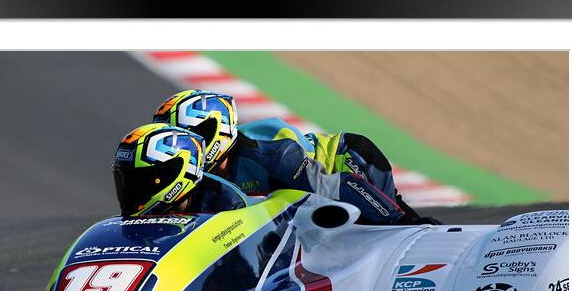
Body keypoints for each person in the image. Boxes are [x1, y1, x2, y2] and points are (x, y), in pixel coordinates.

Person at [151, 89, 439, 225]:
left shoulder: (268, 153)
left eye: (186, 135)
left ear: (216, 129)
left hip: (349, 161)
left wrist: (400, 222)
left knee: (373, 231)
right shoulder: (203, 173)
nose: (181, 146)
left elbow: (338, 186)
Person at [112, 122, 247, 216]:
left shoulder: (228, 207)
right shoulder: (134, 217)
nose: (131, 191)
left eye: (140, 181)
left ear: (174, 173)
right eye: (125, 182)